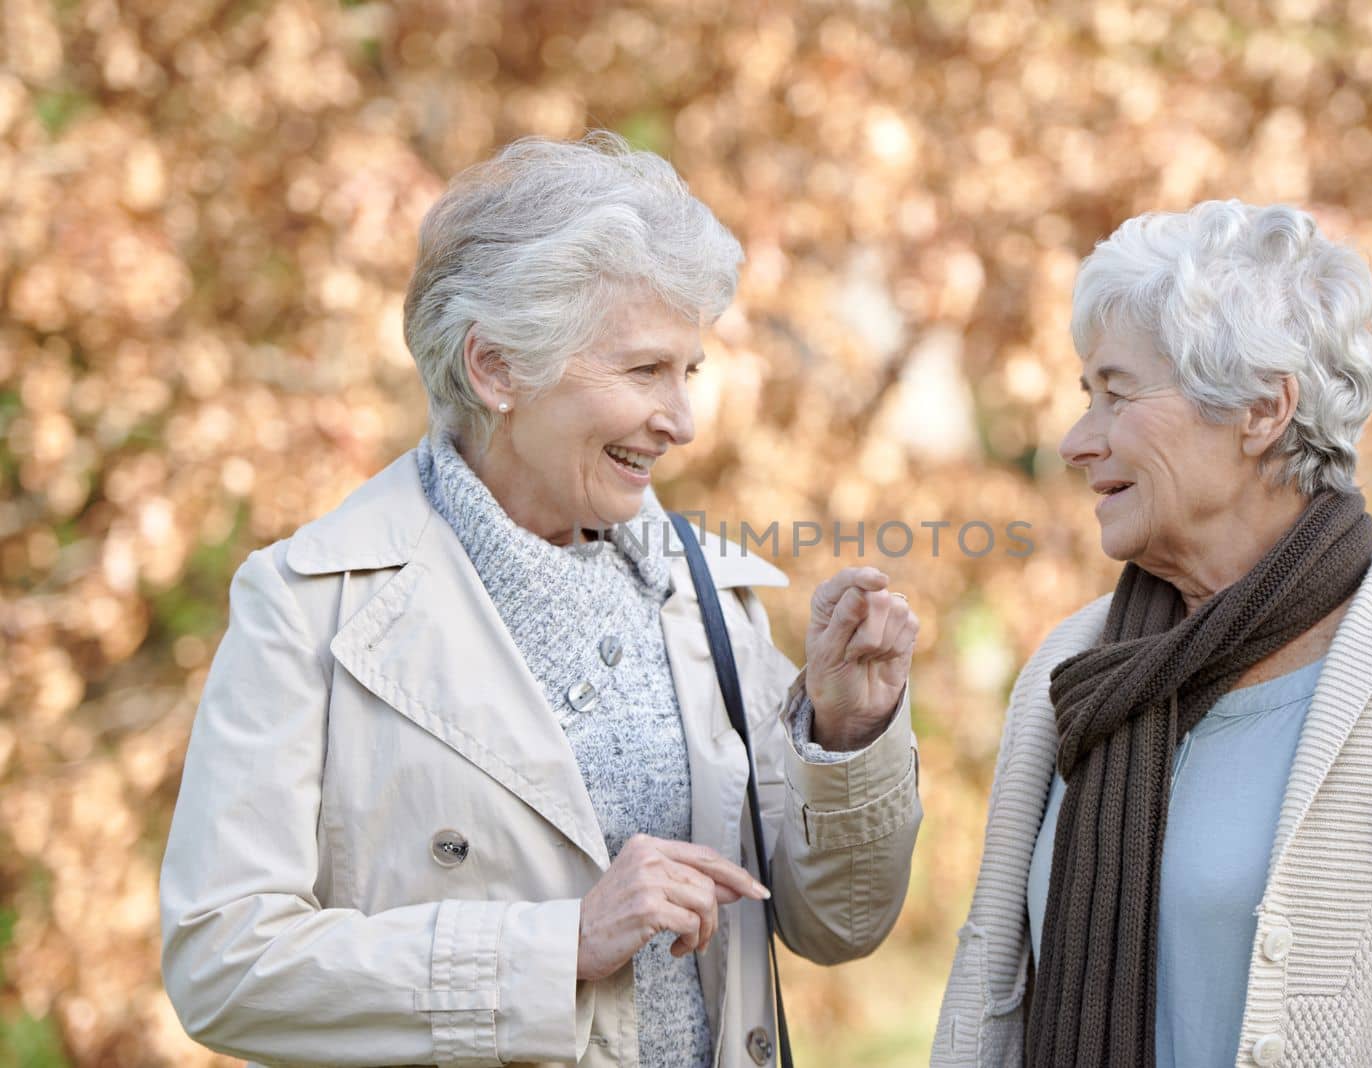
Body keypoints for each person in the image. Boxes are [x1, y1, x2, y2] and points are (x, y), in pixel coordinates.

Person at [160, 133, 923, 1068]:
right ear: (495, 370)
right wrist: (556, 946)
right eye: (644, 371)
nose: (681, 421)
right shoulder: (308, 606)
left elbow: (837, 927)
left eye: (690, 372)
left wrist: (846, 738)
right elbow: (222, 965)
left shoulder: (709, 598)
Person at [932, 200, 1372, 1066]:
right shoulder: (1075, 668)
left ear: (1261, 410)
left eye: (1116, 394)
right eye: (1084, 397)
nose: (1074, 441)